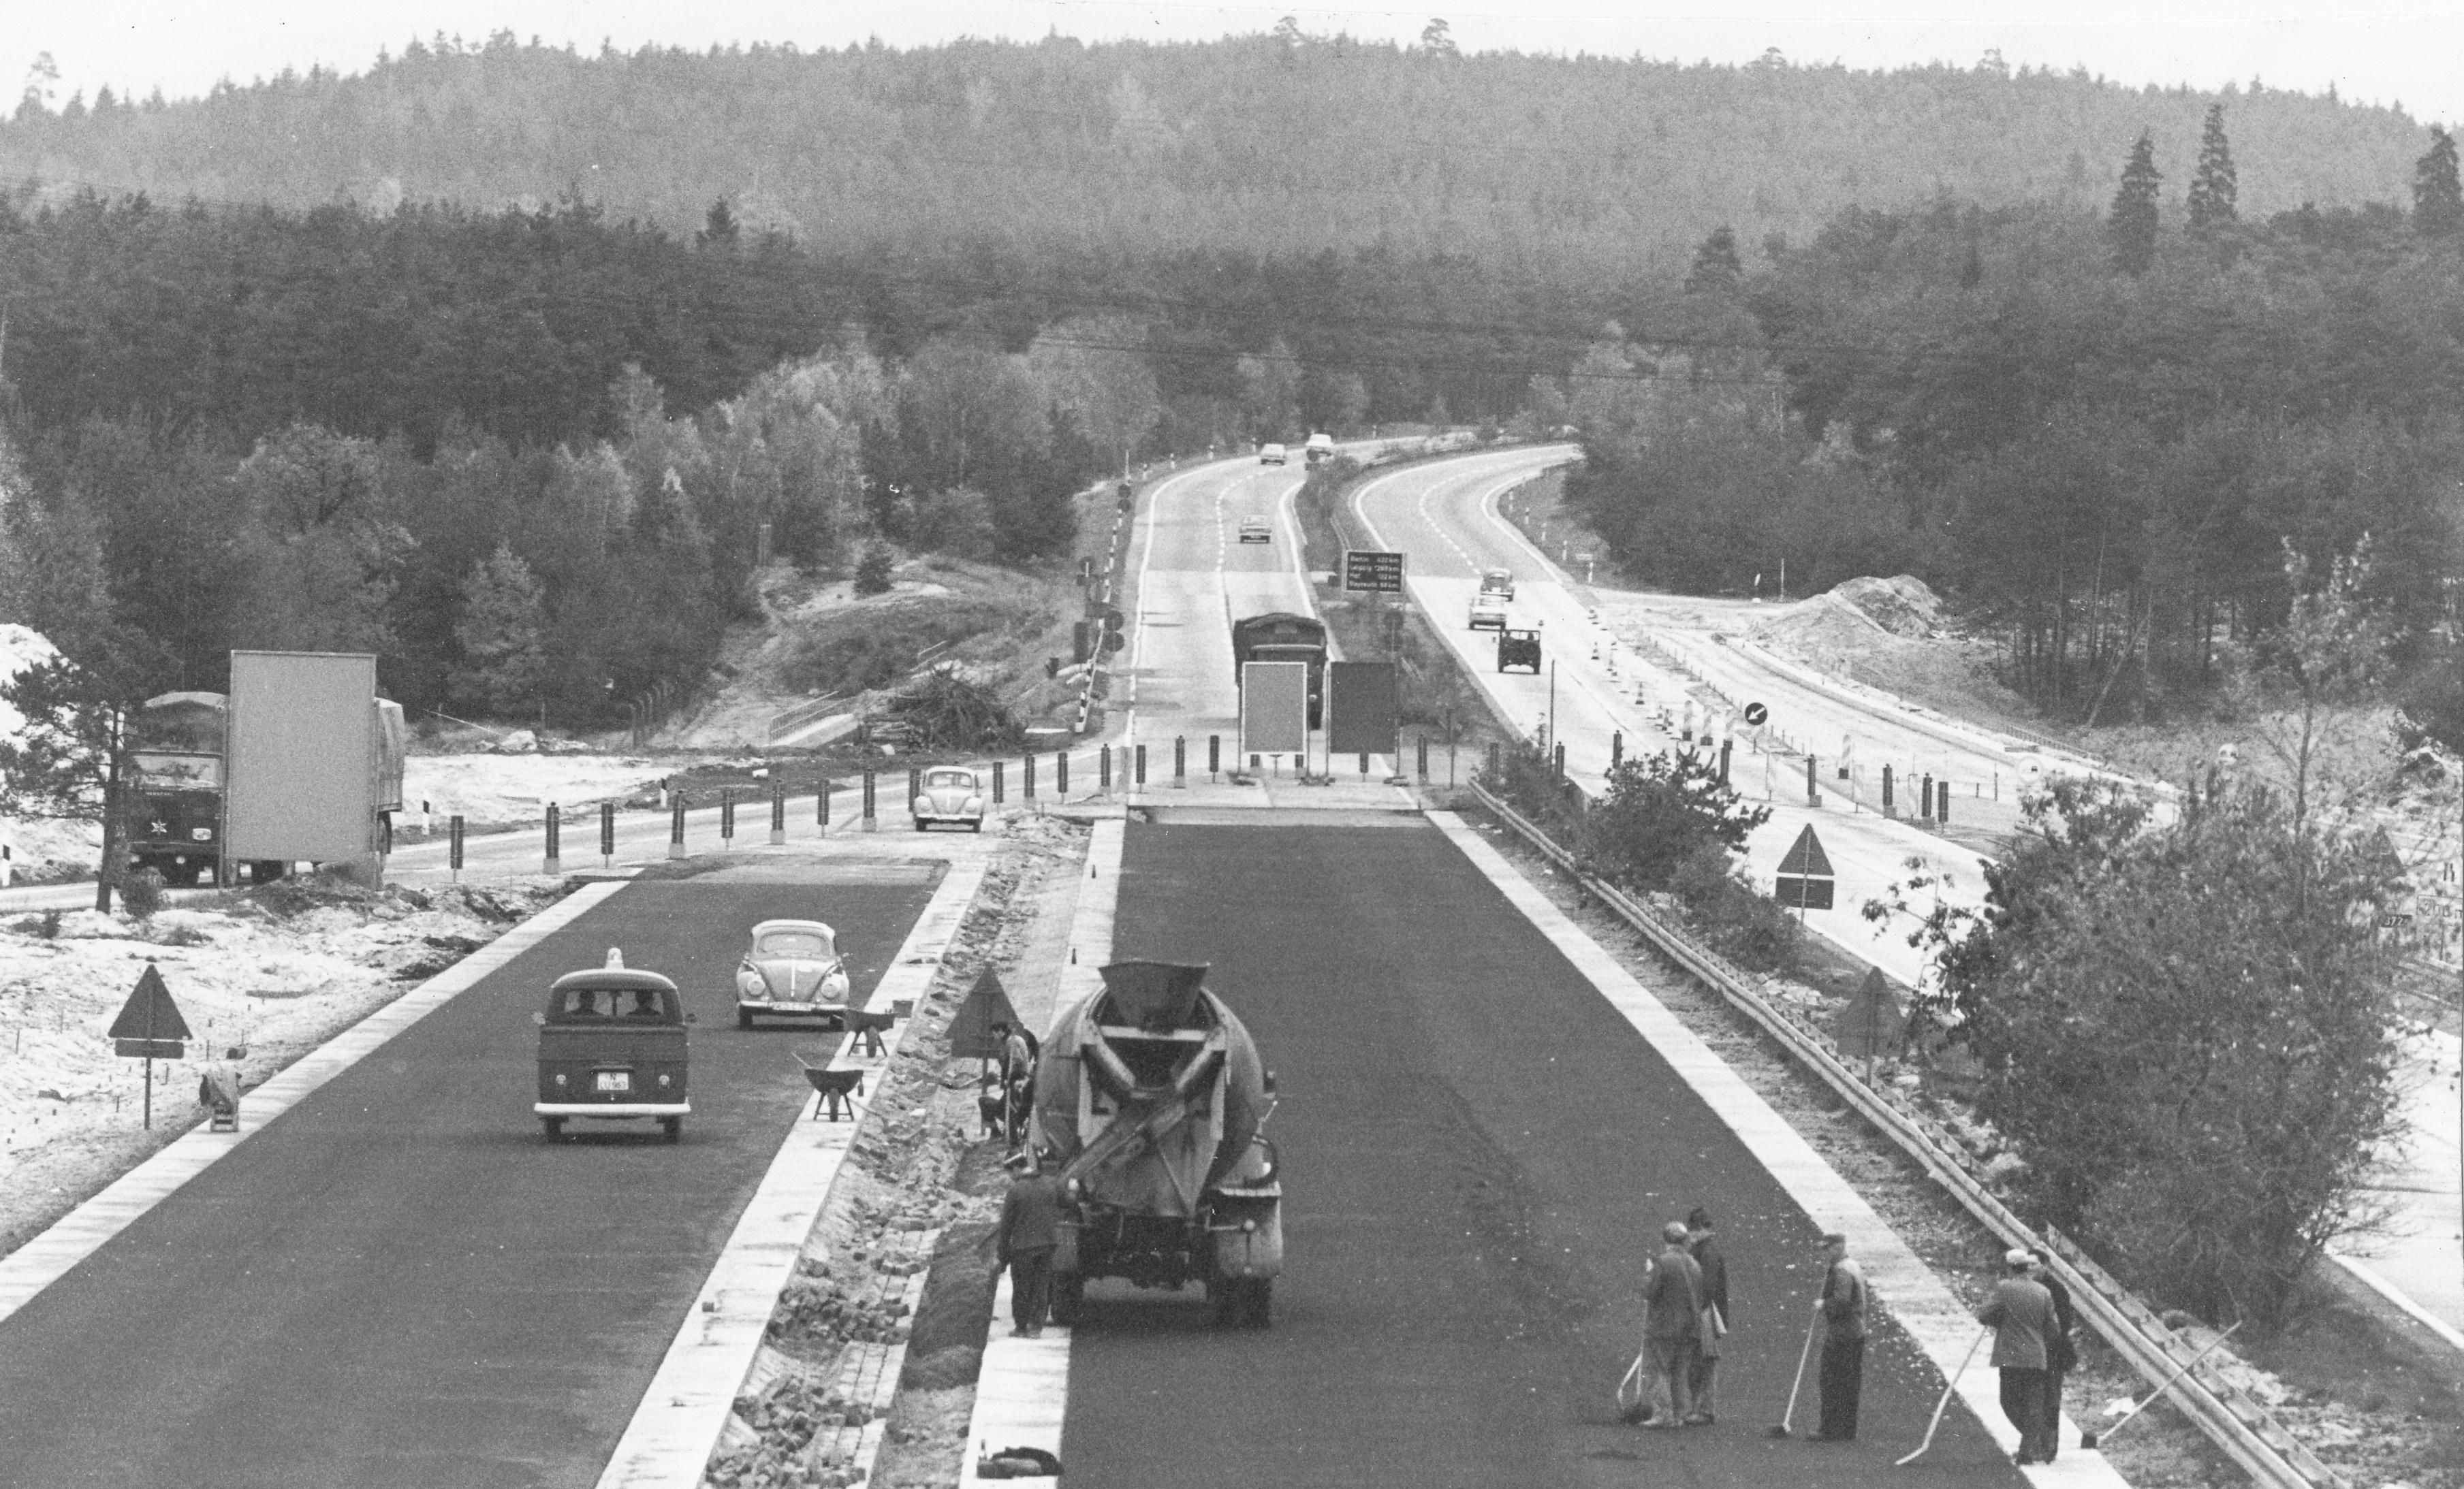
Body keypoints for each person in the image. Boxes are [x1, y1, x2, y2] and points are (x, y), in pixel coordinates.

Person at [1978, 1249, 2059, 1464]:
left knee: (2009, 1402)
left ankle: (2036, 1443)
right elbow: (2053, 1329)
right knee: (2033, 1403)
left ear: (2010, 1268)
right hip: (2036, 1356)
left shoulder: (2005, 1288)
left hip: (2011, 1356)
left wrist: (2000, 1321)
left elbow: (1984, 1315)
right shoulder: (2043, 1292)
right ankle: (2032, 1447)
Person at [996, 1149, 1067, 1339]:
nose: (1011, 1177)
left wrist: (1002, 1258)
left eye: (1011, 1172)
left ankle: (1020, 1328)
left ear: (1018, 1168)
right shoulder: (1051, 1183)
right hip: (1047, 1245)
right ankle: (1036, 1328)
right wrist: (1075, 1190)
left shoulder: (1015, 1191)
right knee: (1041, 1286)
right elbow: (1068, 1202)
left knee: (1022, 1288)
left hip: (1023, 1248)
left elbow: (1006, 1228)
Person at [1639, 1221, 1703, 1428]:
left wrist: (1649, 1272)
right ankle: (1679, 1415)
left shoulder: (1663, 1262)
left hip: (1664, 1327)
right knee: (1680, 1372)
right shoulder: (1694, 1264)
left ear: (1665, 1239)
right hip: (1691, 1327)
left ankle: (1663, 1414)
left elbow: (1649, 1293)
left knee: (1659, 1370)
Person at [1813, 1232, 1867, 1443]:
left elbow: (1842, 1302)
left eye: (1827, 1249)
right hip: (1855, 1332)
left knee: (1831, 1380)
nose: (1825, 1254)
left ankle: (1829, 1429)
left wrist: (1824, 1305)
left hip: (1844, 1334)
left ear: (1837, 1247)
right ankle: (1846, 1429)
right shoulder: (1851, 1265)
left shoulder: (1842, 1271)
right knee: (1849, 1383)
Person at [2027, 1248, 2077, 1463]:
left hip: (2052, 1353)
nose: (2030, 1268)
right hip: (2033, 1351)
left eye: (2034, 1264)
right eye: (2027, 1264)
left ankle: (2048, 1447)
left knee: (2050, 1399)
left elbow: (2064, 1323)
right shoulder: (2028, 1287)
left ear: (2046, 1266)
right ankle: (2034, 1445)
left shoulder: (2057, 1290)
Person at [1685, 1207, 1729, 1426]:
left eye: (1694, 1229)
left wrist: (1693, 1311)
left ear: (1701, 1229)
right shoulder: (1704, 1250)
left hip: (1705, 1316)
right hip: (1705, 1313)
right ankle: (1699, 1408)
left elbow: (1707, 1288)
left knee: (1703, 1362)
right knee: (1699, 1362)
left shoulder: (1706, 1252)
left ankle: (1703, 1409)